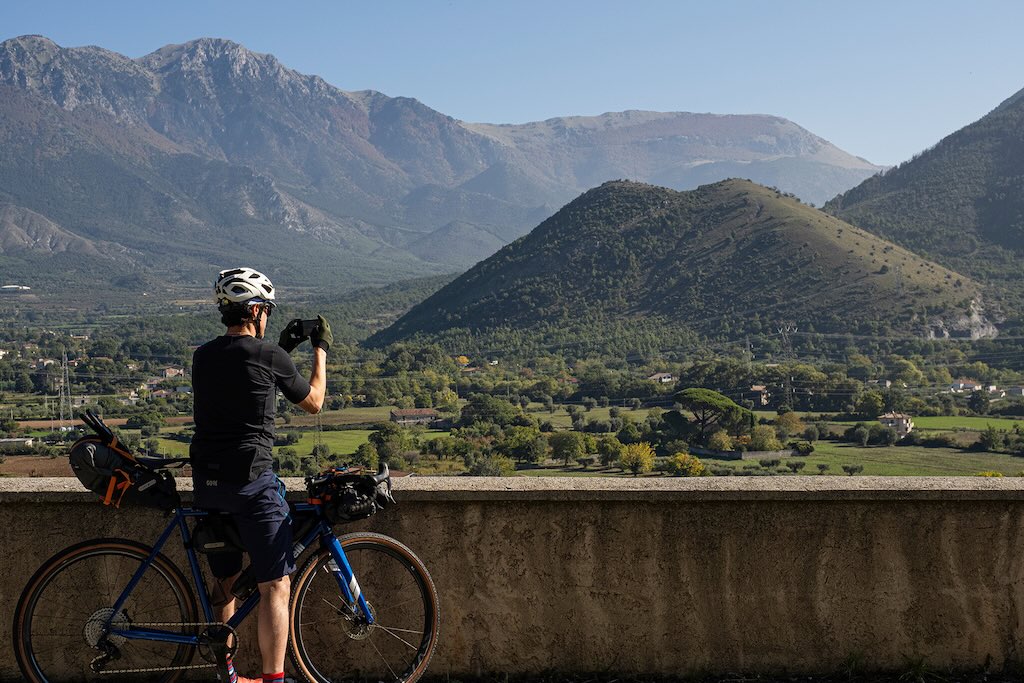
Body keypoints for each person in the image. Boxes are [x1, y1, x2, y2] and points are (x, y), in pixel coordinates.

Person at [190, 267, 332, 683]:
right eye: (266, 309)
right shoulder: (270, 356)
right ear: (254, 310)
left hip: (208, 486)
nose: (268, 315)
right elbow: (314, 403)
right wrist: (319, 348)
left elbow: (243, 376)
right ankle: (273, 679)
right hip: (251, 486)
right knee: (276, 586)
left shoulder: (203, 355)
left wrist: (277, 349)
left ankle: (228, 675)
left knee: (226, 580)